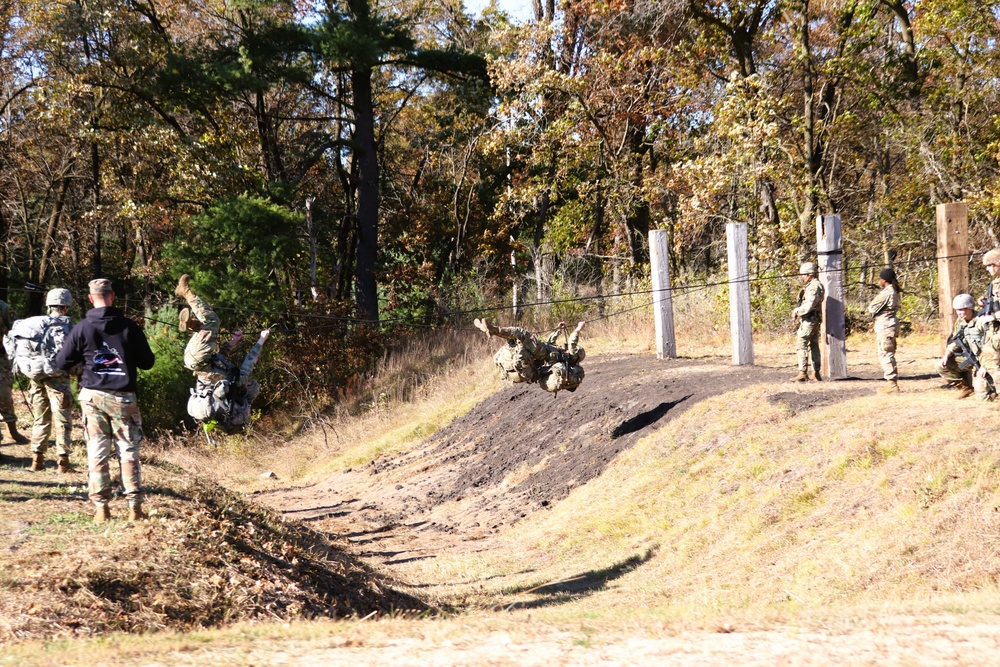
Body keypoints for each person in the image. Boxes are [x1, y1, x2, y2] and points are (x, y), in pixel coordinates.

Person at [54, 279, 155, 522]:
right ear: (112, 296)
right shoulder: (129, 327)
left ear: (91, 298)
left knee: (97, 450)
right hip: (123, 397)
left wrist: (85, 364)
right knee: (128, 451)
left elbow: (61, 362)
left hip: (92, 396)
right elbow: (148, 362)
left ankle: (102, 509)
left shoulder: (82, 327)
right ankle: (135, 509)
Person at [174, 275, 269, 430]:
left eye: (250, 383)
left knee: (213, 321)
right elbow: (220, 359)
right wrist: (233, 341)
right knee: (209, 330)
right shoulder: (226, 387)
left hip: (199, 358)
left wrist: (261, 340)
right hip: (194, 359)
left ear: (247, 387)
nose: (249, 381)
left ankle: (185, 292)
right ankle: (192, 324)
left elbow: (250, 361)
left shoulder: (237, 382)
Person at [5, 289, 75, 472]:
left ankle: (37, 461)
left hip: (34, 376)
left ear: (49, 305)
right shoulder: (67, 326)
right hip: (58, 379)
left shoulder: (33, 324)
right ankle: (63, 463)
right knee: (63, 420)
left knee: (40, 418)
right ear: (66, 306)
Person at [474, 318, 586, 394]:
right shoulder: (565, 360)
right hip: (539, 354)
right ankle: (492, 330)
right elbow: (551, 343)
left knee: (520, 333)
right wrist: (558, 330)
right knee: (515, 340)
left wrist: (578, 328)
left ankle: (493, 330)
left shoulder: (572, 355)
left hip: (540, 351)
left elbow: (572, 341)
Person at [938, 293, 988, 400]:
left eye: (962, 309)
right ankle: (965, 388)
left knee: (983, 397)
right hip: (971, 358)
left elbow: (992, 345)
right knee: (941, 366)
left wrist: (985, 366)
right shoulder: (960, 322)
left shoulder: (981, 321)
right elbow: (956, 340)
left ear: (970, 308)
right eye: (957, 310)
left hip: (988, 360)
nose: (959, 313)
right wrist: (947, 354)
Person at [0, 296, 29, 453]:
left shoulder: (3, 307)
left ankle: (12, 432)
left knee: (4, 396)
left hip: (0, 361)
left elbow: (17, 329)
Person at [868, 267, 902, 393]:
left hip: (885, 326)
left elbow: (872, 308)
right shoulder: (895, 291)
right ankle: (891, 383)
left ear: (884, 280)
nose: (879, 281)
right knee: (887, 353)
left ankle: (892, 384)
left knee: (886, 354)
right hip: (889, 325)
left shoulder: (887, 293)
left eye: (880, 279)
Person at [790, 261, 825, 382]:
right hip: (812, 319)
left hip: (810, 319)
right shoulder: (813, 286)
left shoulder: (814, 286)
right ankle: (815, 372)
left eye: (804, 274)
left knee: (802, 343)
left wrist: (797, 311)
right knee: (813, 344)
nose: (802, 277)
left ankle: (803, 372)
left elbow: (809, 305)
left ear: (810, 274)